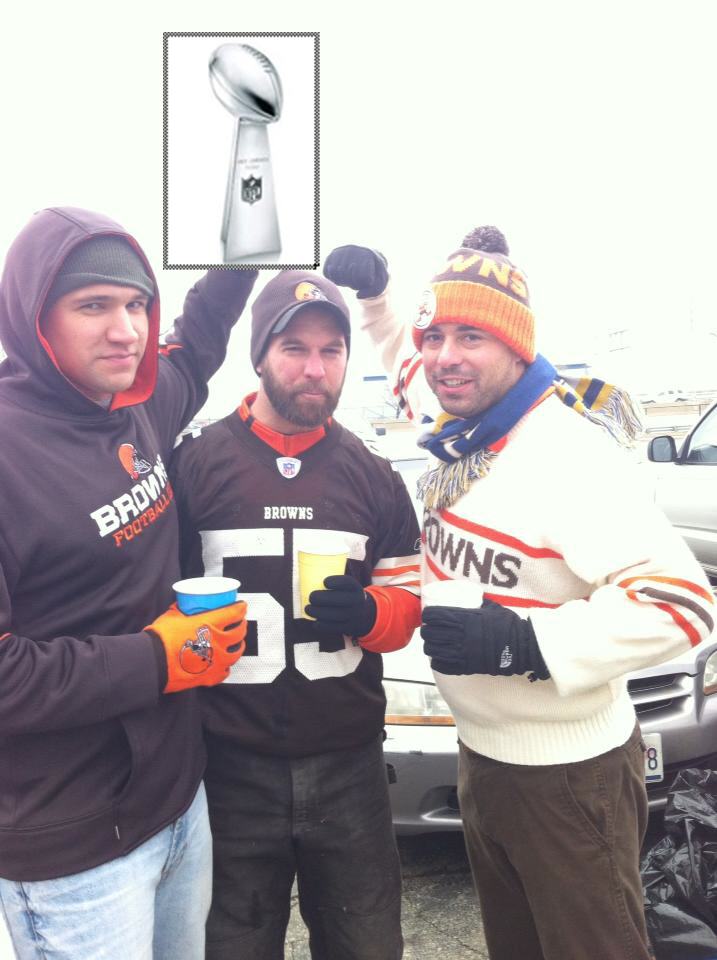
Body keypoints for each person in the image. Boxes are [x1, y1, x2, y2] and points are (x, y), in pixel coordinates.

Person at [324, 231, 716, 960]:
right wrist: (378, 297)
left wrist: (525, 643)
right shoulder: (462, 424)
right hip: (483, 758)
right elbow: (404, 359)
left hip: (568, 776)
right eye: (436, 336)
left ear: (516, 347)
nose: (444, 357)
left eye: (470, 337)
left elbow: (683, 602)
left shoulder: (563, 453)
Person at [0, 206, 257, 960]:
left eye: (137, 304)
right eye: (93, 306)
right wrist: (158, 659)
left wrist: (244, 250)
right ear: (34, 318)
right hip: (73, 850)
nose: (126, 331)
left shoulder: (138, 405)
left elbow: (197, 344)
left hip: (176, 802)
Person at [171, 269, 422, 960]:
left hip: (349, 765)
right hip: (228, 766)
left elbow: (406, 604)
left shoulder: (374, 473)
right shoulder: (193, 465)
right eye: (294, 349)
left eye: (330, 350)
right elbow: (149, 602)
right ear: (259, 356)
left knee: (366, 946)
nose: (315, 369)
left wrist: (370, 611)